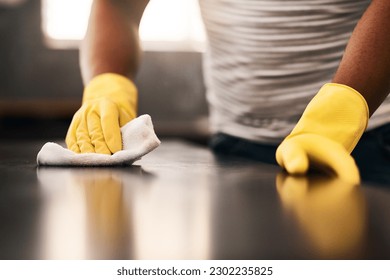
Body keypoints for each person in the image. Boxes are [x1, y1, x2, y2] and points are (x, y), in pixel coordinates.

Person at [65, 0, 390, 185]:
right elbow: (119, 7)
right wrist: (107, 86)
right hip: (234, 145)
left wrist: (339, 115)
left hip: (367, 142)